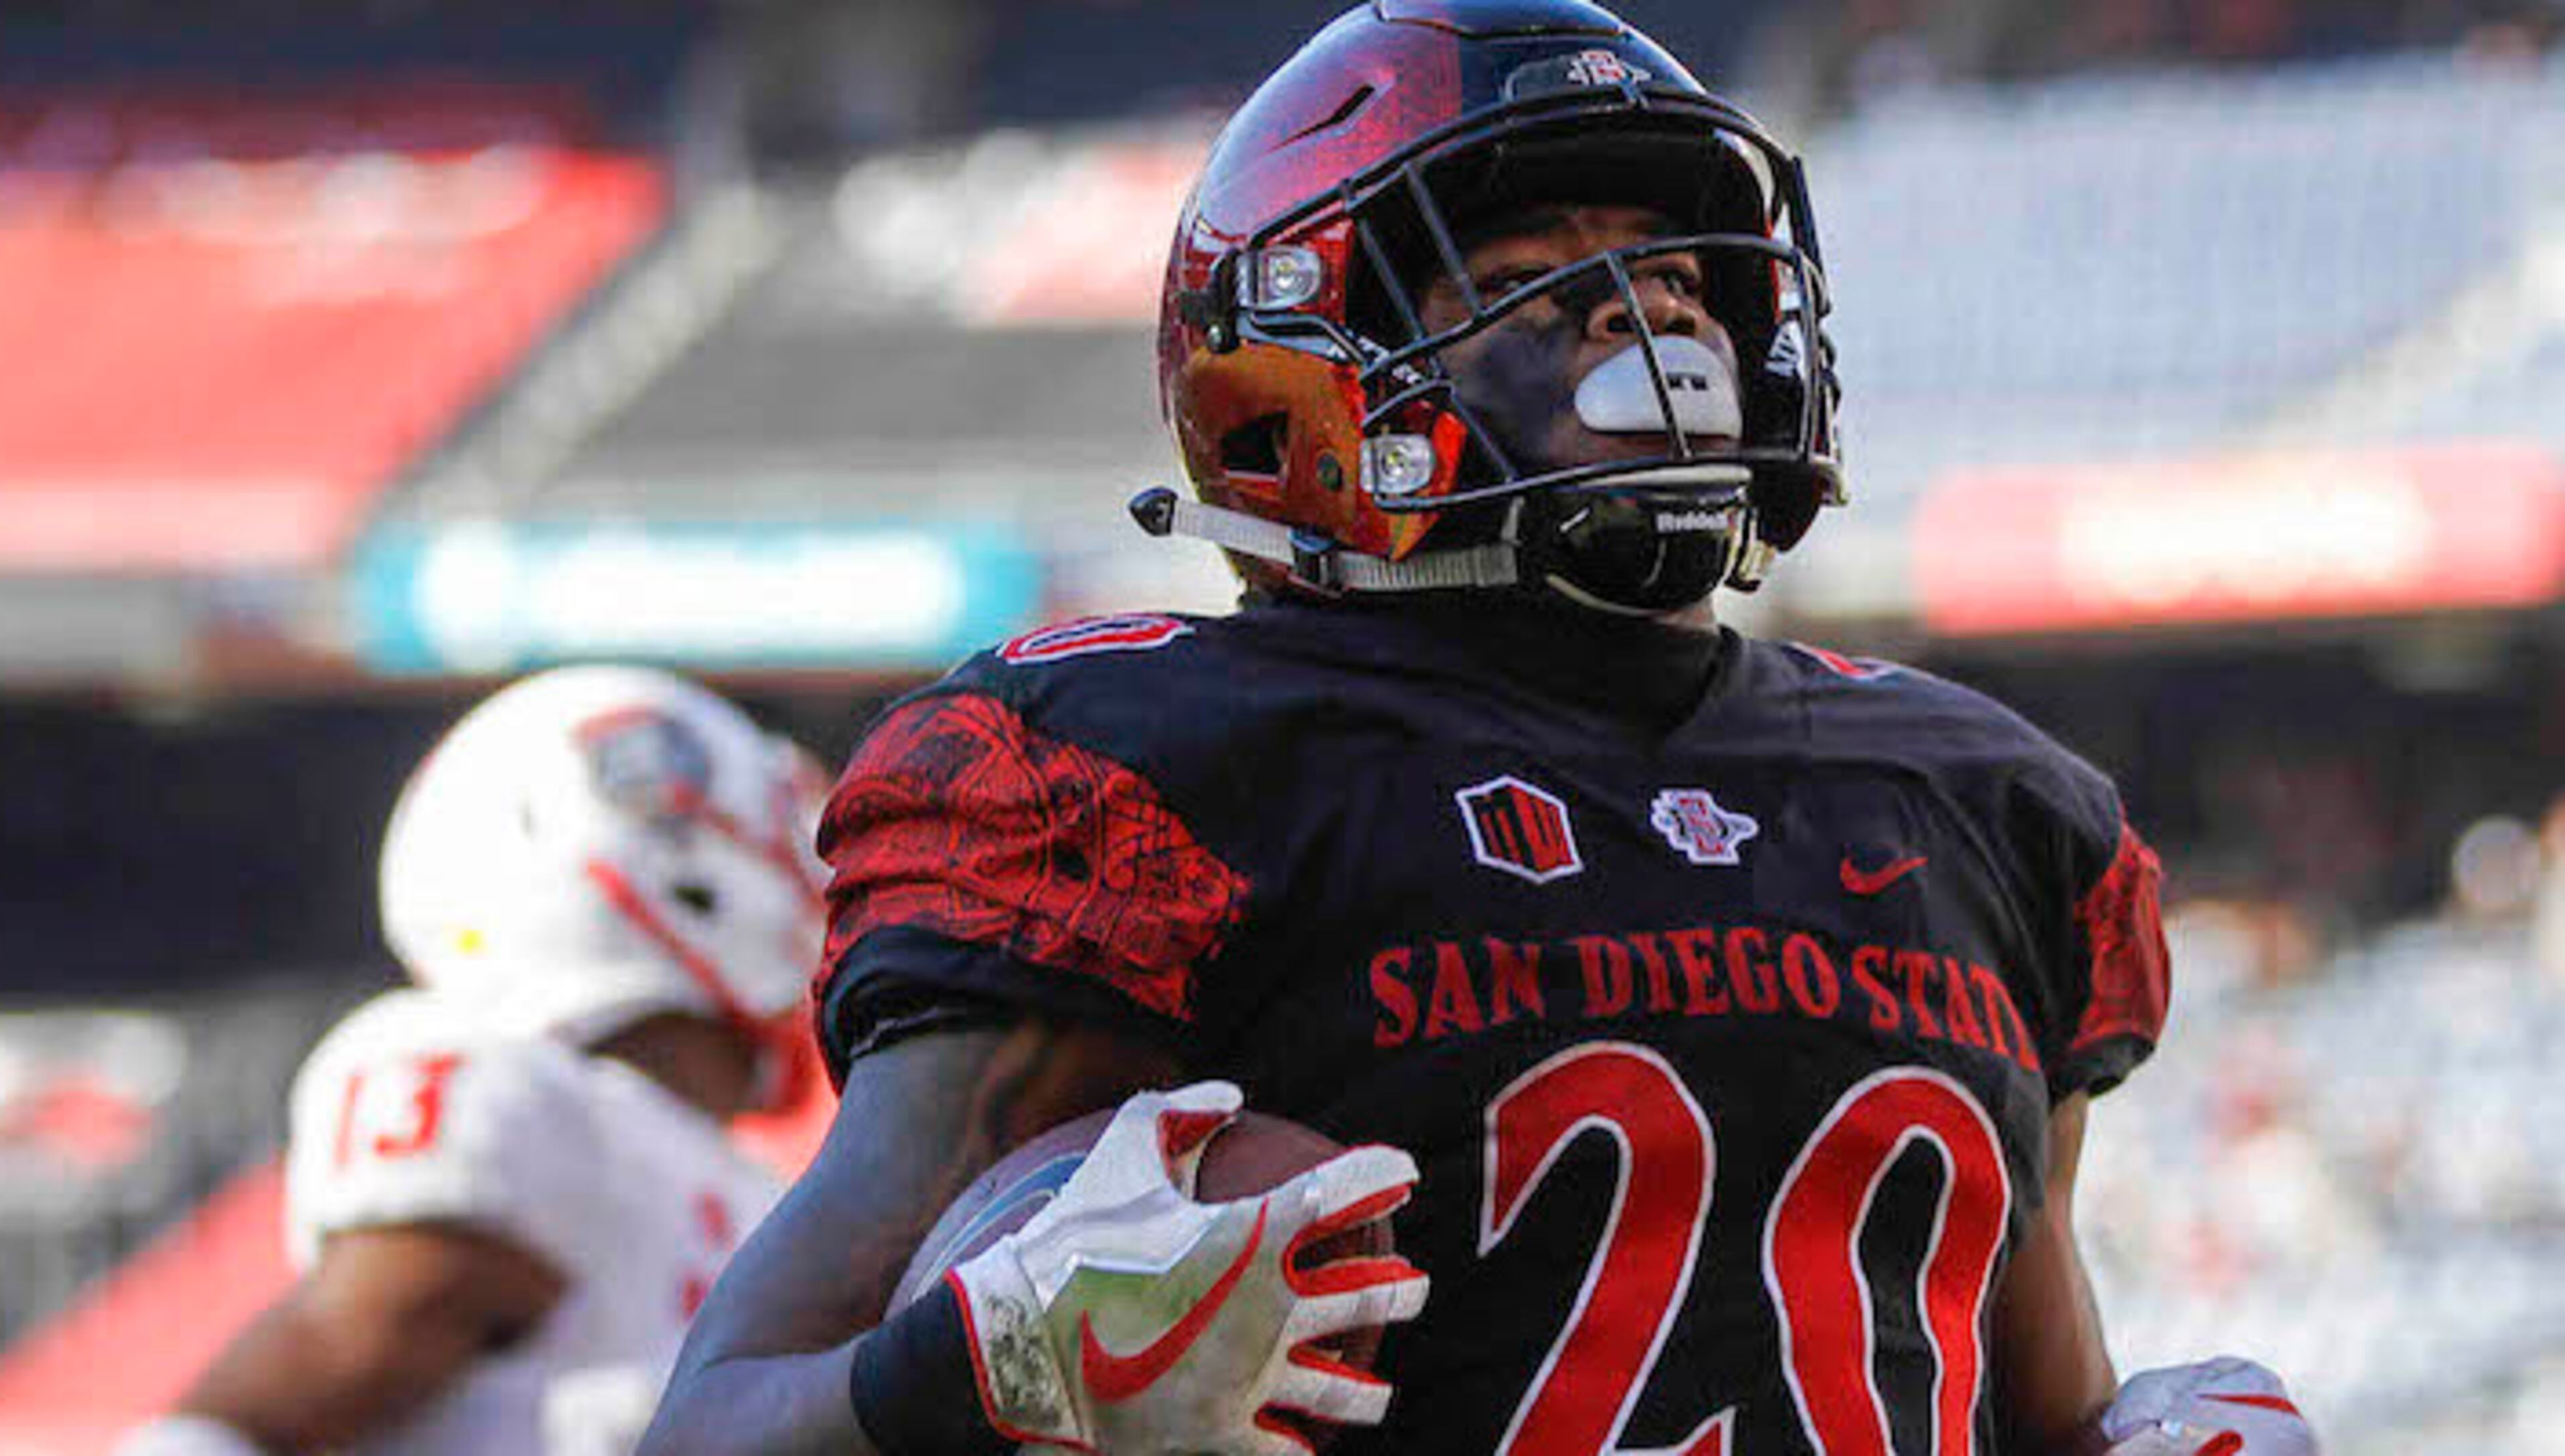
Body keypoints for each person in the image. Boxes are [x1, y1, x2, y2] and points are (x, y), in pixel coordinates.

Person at [644, 4, 2324, 1454]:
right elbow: (720, 1419)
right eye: (1527, 278)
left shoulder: (1973, 800)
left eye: (1669, 272)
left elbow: (2019, 1397)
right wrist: (964, 1364)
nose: (1641, 320)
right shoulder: (1139, 773)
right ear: (1297, 372)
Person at [114, 665, 831, 1456]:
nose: (807, 871)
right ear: (665, 868)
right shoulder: (530, 1100)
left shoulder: (741, 1183)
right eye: (764, 827)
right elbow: (331, 1355)